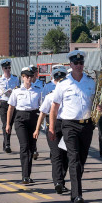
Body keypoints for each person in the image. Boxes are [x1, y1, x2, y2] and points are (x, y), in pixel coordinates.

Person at [49, 50, 102, 203]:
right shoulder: (63, 84)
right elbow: (54, 107)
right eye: (76, 63)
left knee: (81, 160)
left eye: (81, 63)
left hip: (87, 124)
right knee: (73, 158)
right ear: (71, 65)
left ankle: (74, 191)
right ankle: (78, 194)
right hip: (69, 125)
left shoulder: (90, 82)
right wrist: (52, 127)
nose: (79, 65)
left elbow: (101, 103)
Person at [34, 65, 69, 194]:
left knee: (65, 155)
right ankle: (58, 182)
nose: (59, 82)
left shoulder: (69, 95)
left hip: (66, 125)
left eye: (62, 79)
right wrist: (37, 129)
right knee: (56, 155)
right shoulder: (50, 96)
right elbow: (42, 113)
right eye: (57, 80)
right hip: (52, 125)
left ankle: (61, 179)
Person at [6, 65, 43, 184]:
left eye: (31, 76)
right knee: (24, 146)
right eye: (26, 76)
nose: (29, 78)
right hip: (20, 119)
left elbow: (42, 109)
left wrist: (40, 126)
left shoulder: (38, 91)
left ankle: (28, 174)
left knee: (31, 148)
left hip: (33, 118)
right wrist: (8, 124)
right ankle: (25, 175)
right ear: (22, 77)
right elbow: (11, 108)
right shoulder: (16, 91)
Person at [0, 59, 18, 153]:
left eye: (9, 68)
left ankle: (5, 143)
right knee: (5, 124)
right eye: (6, 68)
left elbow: (17, 89)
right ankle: (7, 144)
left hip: (12, 103)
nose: (8, 69)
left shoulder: (15, 78)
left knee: (10, 124)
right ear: (2, 68)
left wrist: (12, 92)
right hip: (4, 102)